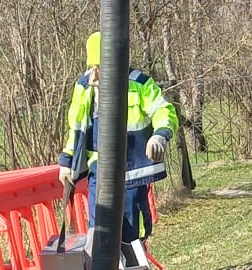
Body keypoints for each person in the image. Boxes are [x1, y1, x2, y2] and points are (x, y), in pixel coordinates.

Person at [57, 31, 180, 247]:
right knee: (100, 233)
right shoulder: (83, 87)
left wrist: (160, 136)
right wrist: (67, 161)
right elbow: (76, 127)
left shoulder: (140, 84)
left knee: (131, 234)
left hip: (132, 173)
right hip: (99, 173)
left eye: (101, 67)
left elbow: (164, 111)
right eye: (93, 67)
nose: (95, 74)